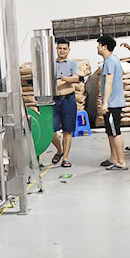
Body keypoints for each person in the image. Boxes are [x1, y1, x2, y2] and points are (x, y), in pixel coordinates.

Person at [50, 38, 81, 168]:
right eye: (59, 48)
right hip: (54, 101)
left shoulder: (73, 64)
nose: (62, 51)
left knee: (67, 131)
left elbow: (77, 78)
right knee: (51, 129)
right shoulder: (51, 65)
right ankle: (59, 150)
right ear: (56, 49)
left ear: (68, 50)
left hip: (68, 100)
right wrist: (67, 80)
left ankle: (65, 158)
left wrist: (62, 79)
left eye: (64, 49)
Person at [98, 35, 127, 170]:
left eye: (98, 45)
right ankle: (113, 158)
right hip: (114, 102)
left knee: (115, 132)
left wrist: (105, 103)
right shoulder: (114, 60)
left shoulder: (110, 61)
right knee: (110, 132)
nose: (97, 48)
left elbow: (109, 82)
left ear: (104, 46)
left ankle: (121, 161)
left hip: (112, 104)